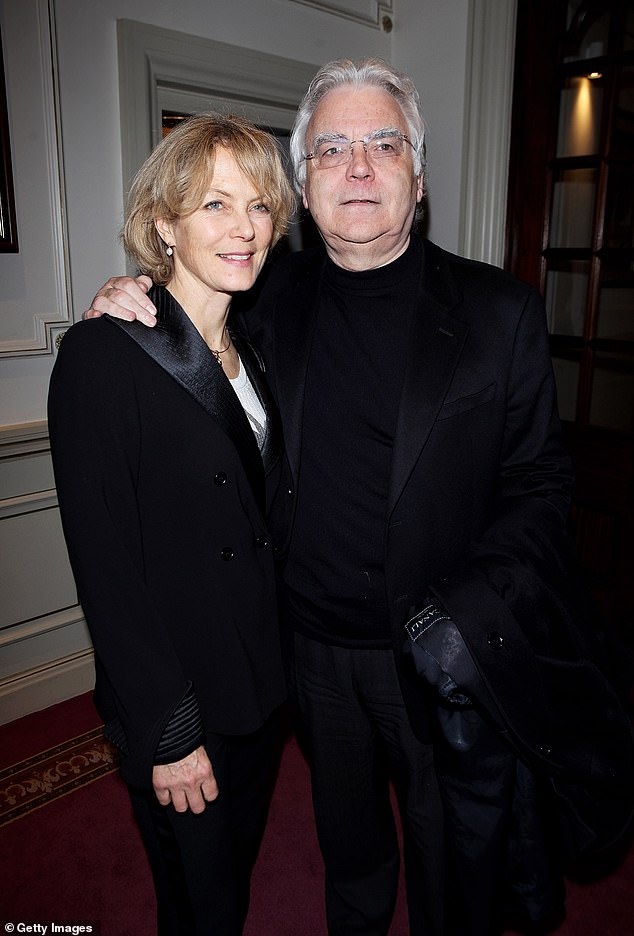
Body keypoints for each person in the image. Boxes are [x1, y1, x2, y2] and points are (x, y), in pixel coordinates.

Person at [84, 59, 634, 936]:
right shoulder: (266, 295)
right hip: (307, 655)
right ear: (304, 182)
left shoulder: (501, 313)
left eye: (384, 143)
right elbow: (187, 320)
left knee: (453, 862)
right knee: (350, 849)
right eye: (332, 148)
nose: (359, 165)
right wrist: (129, 295)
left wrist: (466, 614)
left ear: (418, 178)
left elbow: (539, 487)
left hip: (434, 656)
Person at [48, 112, 296, 936]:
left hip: (260, 683)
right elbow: (104, 564)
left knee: (233, 875)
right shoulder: (103, 355)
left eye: (260, 205)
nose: (245, 228)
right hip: (183, 698)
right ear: (163, 223)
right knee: (200, 907)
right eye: (216, 205)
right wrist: (170, 727)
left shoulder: (253, 342)